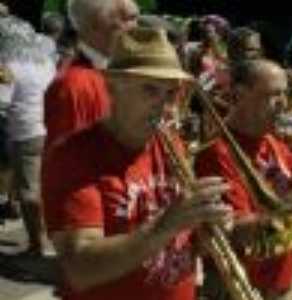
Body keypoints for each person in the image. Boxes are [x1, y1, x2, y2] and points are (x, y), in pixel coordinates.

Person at [42, 27, 233, 300]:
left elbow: (181, 243)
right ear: (111, 87)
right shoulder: (73, 156)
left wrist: (207, 228)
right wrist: (165, 225)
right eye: (149, 90)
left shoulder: (170, 143)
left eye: (170, 94)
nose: (165, 107)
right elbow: (79, 268)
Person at [195, 59, 292, 300]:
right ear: (240, 94)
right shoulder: (216, 152)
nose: (284, 104)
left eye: (285, 94)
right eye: (274, 95)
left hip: (278, 283)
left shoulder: (274, 142)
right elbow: (234, 232)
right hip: (238, 287)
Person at [44, 0, 139, 149]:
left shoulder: (110, 71)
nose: (136, 28)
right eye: (127, 18)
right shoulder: (74, 85)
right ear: (96, 23)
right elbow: (65, 161)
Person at [0, 16, 56, 255]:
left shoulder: (7, 66)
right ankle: (47, 237)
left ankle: (37, 243)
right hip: (50, 129)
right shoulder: (46, 62)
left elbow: (2, 102)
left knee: (28, 191)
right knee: (43, 187)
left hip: (25, 133)